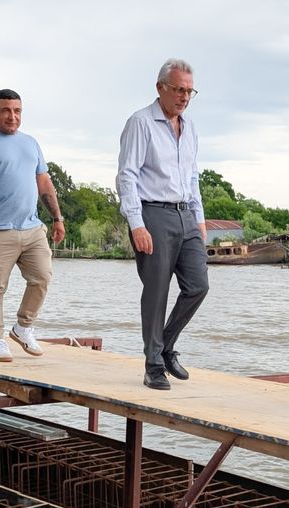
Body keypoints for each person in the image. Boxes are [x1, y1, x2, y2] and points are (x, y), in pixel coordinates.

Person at [116, 59, 209, 391]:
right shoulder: (141, 123)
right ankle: (153, 365)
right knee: (157, 292)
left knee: (198, 285)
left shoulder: (190, 127)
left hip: (186, 214)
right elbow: (127, 176)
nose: (184, 97)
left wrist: (199, 219)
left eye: (189, 91)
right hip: (152, 213)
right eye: (179, 89)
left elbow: (192, 176)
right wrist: (136, 223)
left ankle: (165, 346)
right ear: (160, 88)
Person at [0, 89, 65, 362]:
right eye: (6, 110)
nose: (12, 116)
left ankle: (23, 327)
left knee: (42, 277)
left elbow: (44, 182)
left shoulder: (31, 143)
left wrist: (57, 217)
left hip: (32, 228)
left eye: (17, 111)